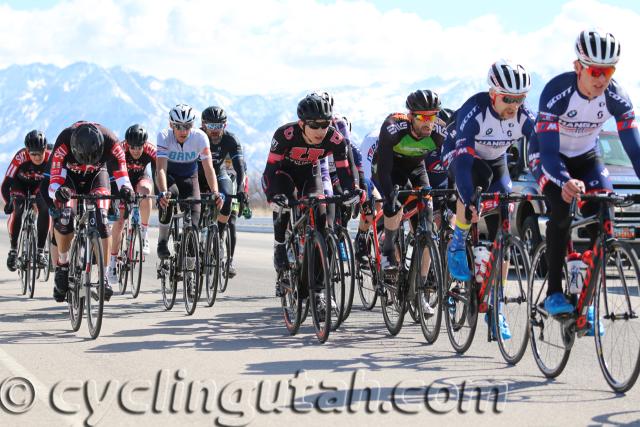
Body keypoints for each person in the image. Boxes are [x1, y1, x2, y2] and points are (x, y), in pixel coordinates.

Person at [532, 30, 640, 326]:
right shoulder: (557, 92)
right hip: (548, 156)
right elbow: (551, 153)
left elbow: (634, 149)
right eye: (595, 71)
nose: (601, 78)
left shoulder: (616, 96)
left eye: (609, 71)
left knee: (605, 214)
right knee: (561, 210)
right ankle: (554, 291)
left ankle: (585, 294)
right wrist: (564, 180)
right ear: (578, 67)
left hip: (588, 158)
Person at [446, 60, 535, 339]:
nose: (514, 105)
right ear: (493, 94)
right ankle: (458, 241)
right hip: (461, 156)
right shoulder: (475, 111)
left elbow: (543, 148)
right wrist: (470, 199)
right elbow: (461, 166)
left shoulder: (524, 116)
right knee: (474, 183)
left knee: (504, 220)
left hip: (496, 159)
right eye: (508, 99)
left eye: (520, 99)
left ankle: (496, 306)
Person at [262, 93, 358, 297]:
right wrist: (273, 196)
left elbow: (345, 172)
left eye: (324, 124)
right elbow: (269, 172)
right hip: (283, 174)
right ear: (301, 123)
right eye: (314, 125)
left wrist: (351, 191)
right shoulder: (285, 135)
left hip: (310, 174)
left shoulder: (335, 139)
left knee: (322, 221)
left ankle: (318, 291)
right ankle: (280, 245)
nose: (320, 131)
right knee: (284, 203)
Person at [48, 122, 134, 302]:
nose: (86, 163)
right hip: (68, 178)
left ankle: (103, 277)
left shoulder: (111, 141)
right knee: (65, 217)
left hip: (97, 176)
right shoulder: (63, 142)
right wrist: (58, 192)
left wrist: (127, 190)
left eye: (92, 158)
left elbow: (122, 176)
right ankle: (63, 264)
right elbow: (54, 182)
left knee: (102, 220)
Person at [156, 104, 222, 259]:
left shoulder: (200, 137)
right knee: (170, 197)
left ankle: (191, 256)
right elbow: (161, 169)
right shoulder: (164, 136)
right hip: (169, 176)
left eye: (187, 126)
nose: (183, 131)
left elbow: (208, 168)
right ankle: (162, 240)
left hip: (189, 177)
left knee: (195, 216)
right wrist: (163, 191)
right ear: (171, 125)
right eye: (178, 126)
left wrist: (215, 192)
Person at [197, 106, 246, 276]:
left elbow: (240, 167)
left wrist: (241, 190)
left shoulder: (231, 140)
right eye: (211, 126)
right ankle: (193, 242)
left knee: (227, 199)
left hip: (218, 174)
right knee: (195, 210)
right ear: (203, 125)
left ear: (225, 125)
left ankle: (218, 235)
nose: (216, 131)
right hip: (196, 177)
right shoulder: (196, 137)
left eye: (220, 126)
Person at [107, 124, 157, 286]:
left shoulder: (151, 150)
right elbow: (111, 174)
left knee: (145, 191)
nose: (136, 150)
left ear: (145, 144)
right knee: (120, 222)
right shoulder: (120, 149)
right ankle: (113, 262)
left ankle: (143, 231)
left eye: (139, 147)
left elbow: (158, 172)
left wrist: (163, 190)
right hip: (122, 182)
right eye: (133, 147)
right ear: (127, 144)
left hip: (141, 178)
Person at [2, 130, 51, 270]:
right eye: (33, 154)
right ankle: (13, 250)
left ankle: (40, 252)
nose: (36, 157)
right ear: (27, 151)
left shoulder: (50, 158)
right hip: (20, 185)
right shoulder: (20, 157)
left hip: (39, 186)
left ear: (45, 150)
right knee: (18, 207)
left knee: (45, 208)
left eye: (40, 153)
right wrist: (8, 203)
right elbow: (5, 184)